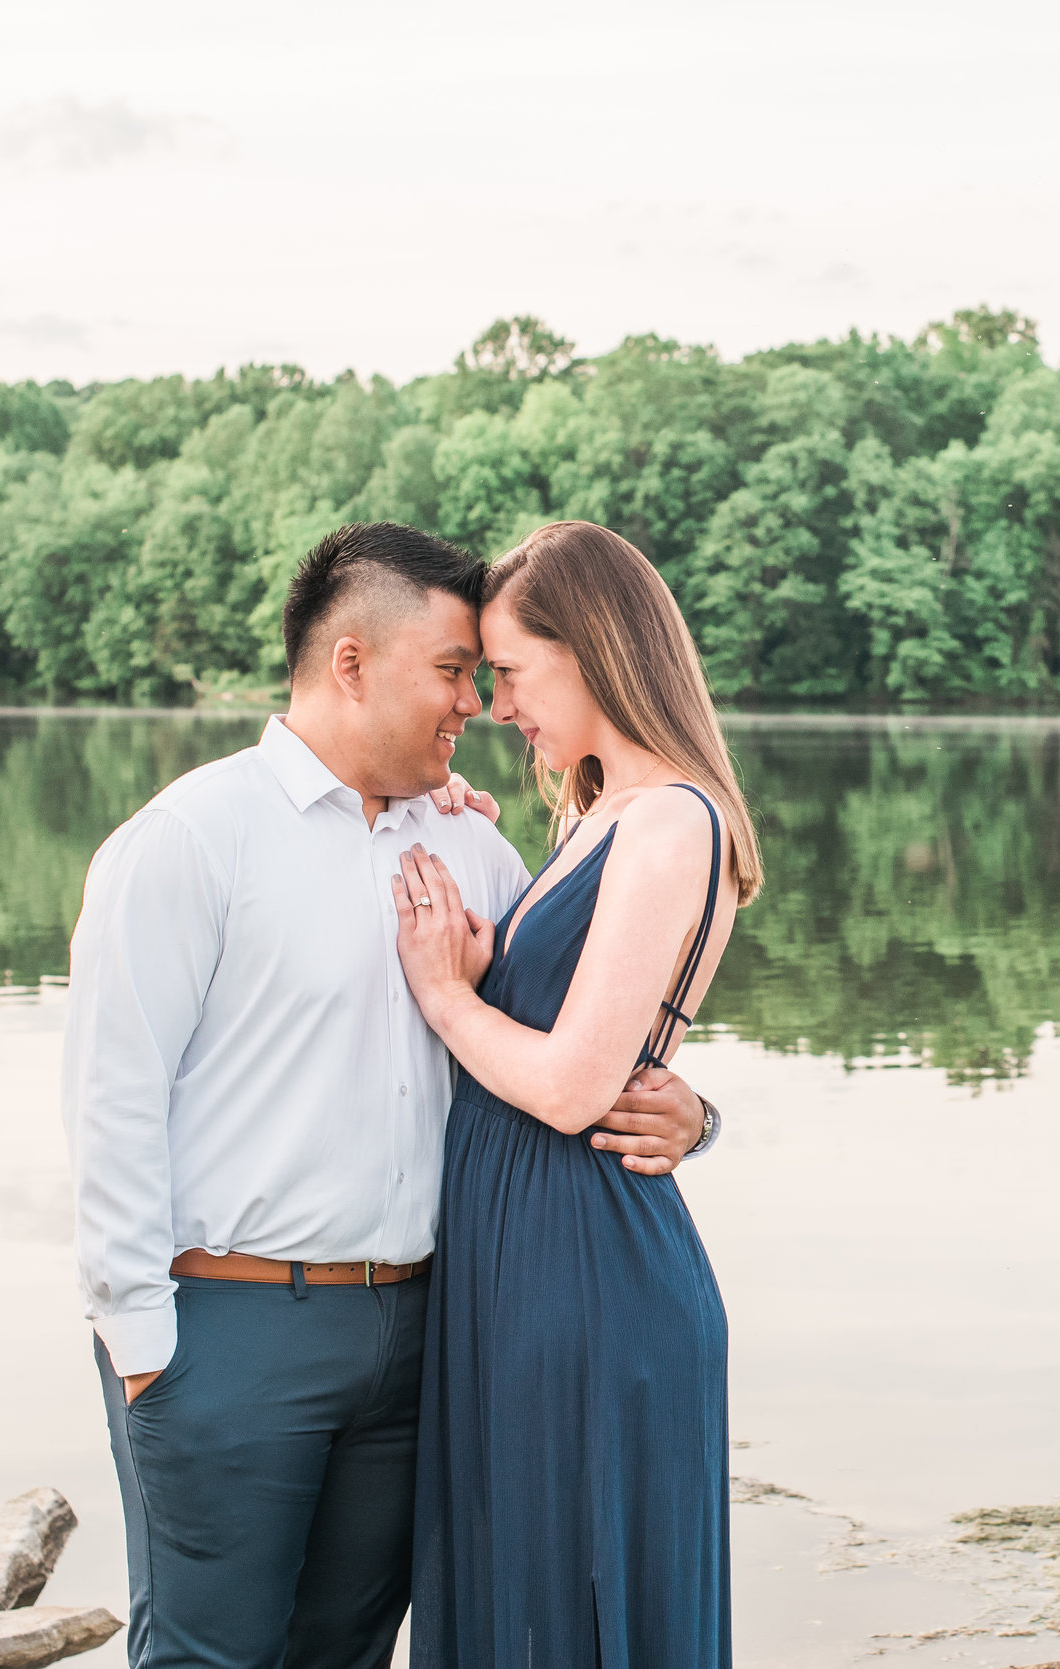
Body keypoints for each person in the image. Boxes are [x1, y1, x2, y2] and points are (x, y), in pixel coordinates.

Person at [60, 522, 724, 1669]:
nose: (475, 702)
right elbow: (112, 1103)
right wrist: (143, 1347)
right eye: (454, 671)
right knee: (207, 1657)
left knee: (350, 1652)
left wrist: (699, 1116)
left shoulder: (476, 852)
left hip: (429, 1330)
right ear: (351, 661)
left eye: (488, 673)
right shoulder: (189, 839)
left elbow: (572, 1034)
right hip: (232, 1324)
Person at [393, 520, 762, 1669]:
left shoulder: (670, 821)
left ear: (594, 649)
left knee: (576, 1599)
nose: (499, 706)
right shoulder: (595, 817)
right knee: (522, 1588)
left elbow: (566, 1084)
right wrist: (439, 825)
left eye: (510, 672)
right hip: (525, 1259)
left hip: (587, 1276)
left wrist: (447, 997)